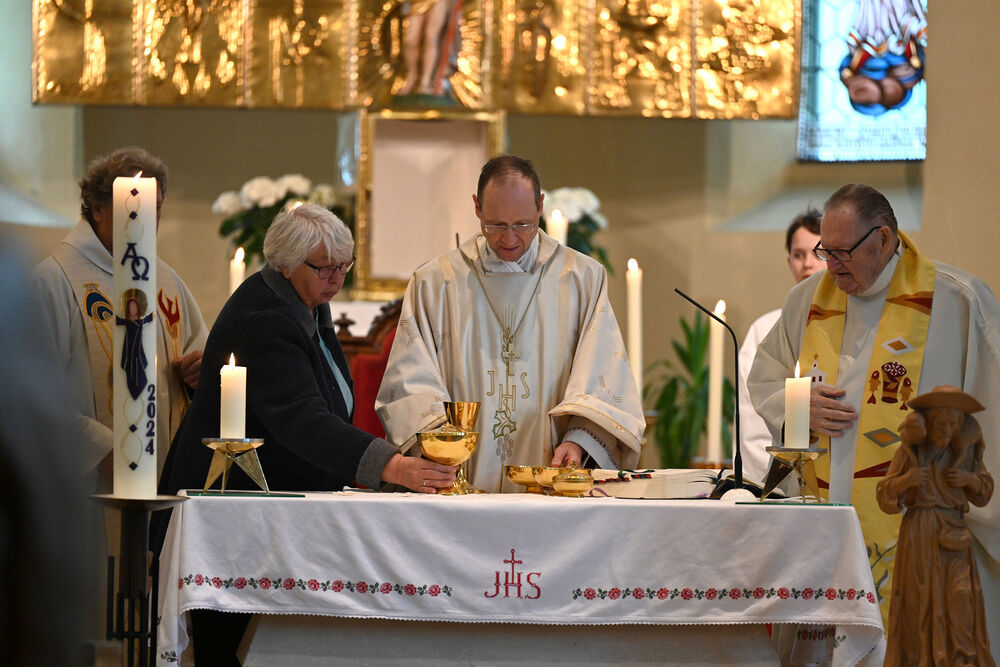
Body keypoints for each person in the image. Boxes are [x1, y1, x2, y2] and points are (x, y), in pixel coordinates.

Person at [156, 203, 457, 664]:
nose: (336, 279)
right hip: (231, 505)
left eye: (344, 266)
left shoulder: (306, 301)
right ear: (286, 264)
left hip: (266, 506)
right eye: (325, 268)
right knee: (229, 648)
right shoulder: (266, 317)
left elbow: (328, 399)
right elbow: (303, 418)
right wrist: (392, 466)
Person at [747, 183, 1000, 641]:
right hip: (824, 524)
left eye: (843, 252)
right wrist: (797, 406)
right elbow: (765, 379)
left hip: (921, 527)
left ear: (884, 239)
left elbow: (993, 413)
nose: (831, 265)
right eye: (825, 251)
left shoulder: (959, 301)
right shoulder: (807, 300)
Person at [376, 154, 644, 493]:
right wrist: (444, 446)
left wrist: (578, 441)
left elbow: (604, 379)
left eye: (522, 225)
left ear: (540, 206)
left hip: (550, 480)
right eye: (496, 225)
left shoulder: (582, 279)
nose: (510, 239)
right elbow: (409, 382)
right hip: (457, 487)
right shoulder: (435, 283)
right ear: (477, 207)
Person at [31, 146, 207, 659]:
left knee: (156, 627)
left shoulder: (167, 280)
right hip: (92, 486)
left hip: (163, 480)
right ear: (98, 208)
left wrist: (197, 372)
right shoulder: (54, 280)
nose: (148, 219)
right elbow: (33, 394)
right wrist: (103, 447)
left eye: (156, 208)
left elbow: (199, 353)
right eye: (135, 207)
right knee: (103, 627)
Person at [876, 386, 994, 665]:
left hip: (954, 530)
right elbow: (884, 493)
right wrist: (907, 481)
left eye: (953, 425)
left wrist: (969, 480)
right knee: (920, 601)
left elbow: (985, 491)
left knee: (961, 597)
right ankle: (921, 659)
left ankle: (961, 659)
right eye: (942, 424)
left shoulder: (965, 452)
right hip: (921, 531)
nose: (948, 430)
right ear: (928, 424)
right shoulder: (910, 452)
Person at [737, 210, 821, 483]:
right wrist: (768, 486)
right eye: (798, 255)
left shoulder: (853, 323)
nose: (807, 264)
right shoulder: (765, 329)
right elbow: (751, 423)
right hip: (779, 476)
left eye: (817, 253)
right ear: (789, 262)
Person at [399, 0, 452, 95]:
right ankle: (411, 76)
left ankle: (425, 80)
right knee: (411, 40)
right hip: (416, 2)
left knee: (431, 37)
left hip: (438, 2)